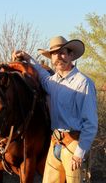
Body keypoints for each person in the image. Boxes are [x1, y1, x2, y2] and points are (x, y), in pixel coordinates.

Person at [10, 36, 98, 183]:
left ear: (71, 55)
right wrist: (26, 57)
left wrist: (79, 153)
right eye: (54, 54)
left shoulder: (83, 83)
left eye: (62, 52)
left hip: (74, 146)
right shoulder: (52, 82)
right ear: (51, 58)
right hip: (55, 144)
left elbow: (91, 123)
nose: (58, 57)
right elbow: (40, 71)